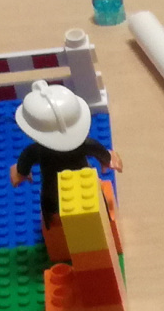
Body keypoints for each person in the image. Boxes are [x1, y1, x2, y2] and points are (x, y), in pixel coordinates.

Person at [8, 82, 118, 236]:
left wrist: (22, 172)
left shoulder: (37, 150)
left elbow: (25, 160)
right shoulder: (83, 144)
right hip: (83, 179)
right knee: (93, 193)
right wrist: (107, 159)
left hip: (52, 186)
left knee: (50, 199)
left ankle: (51, 218)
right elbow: (96, 149)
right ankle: (102, 211)